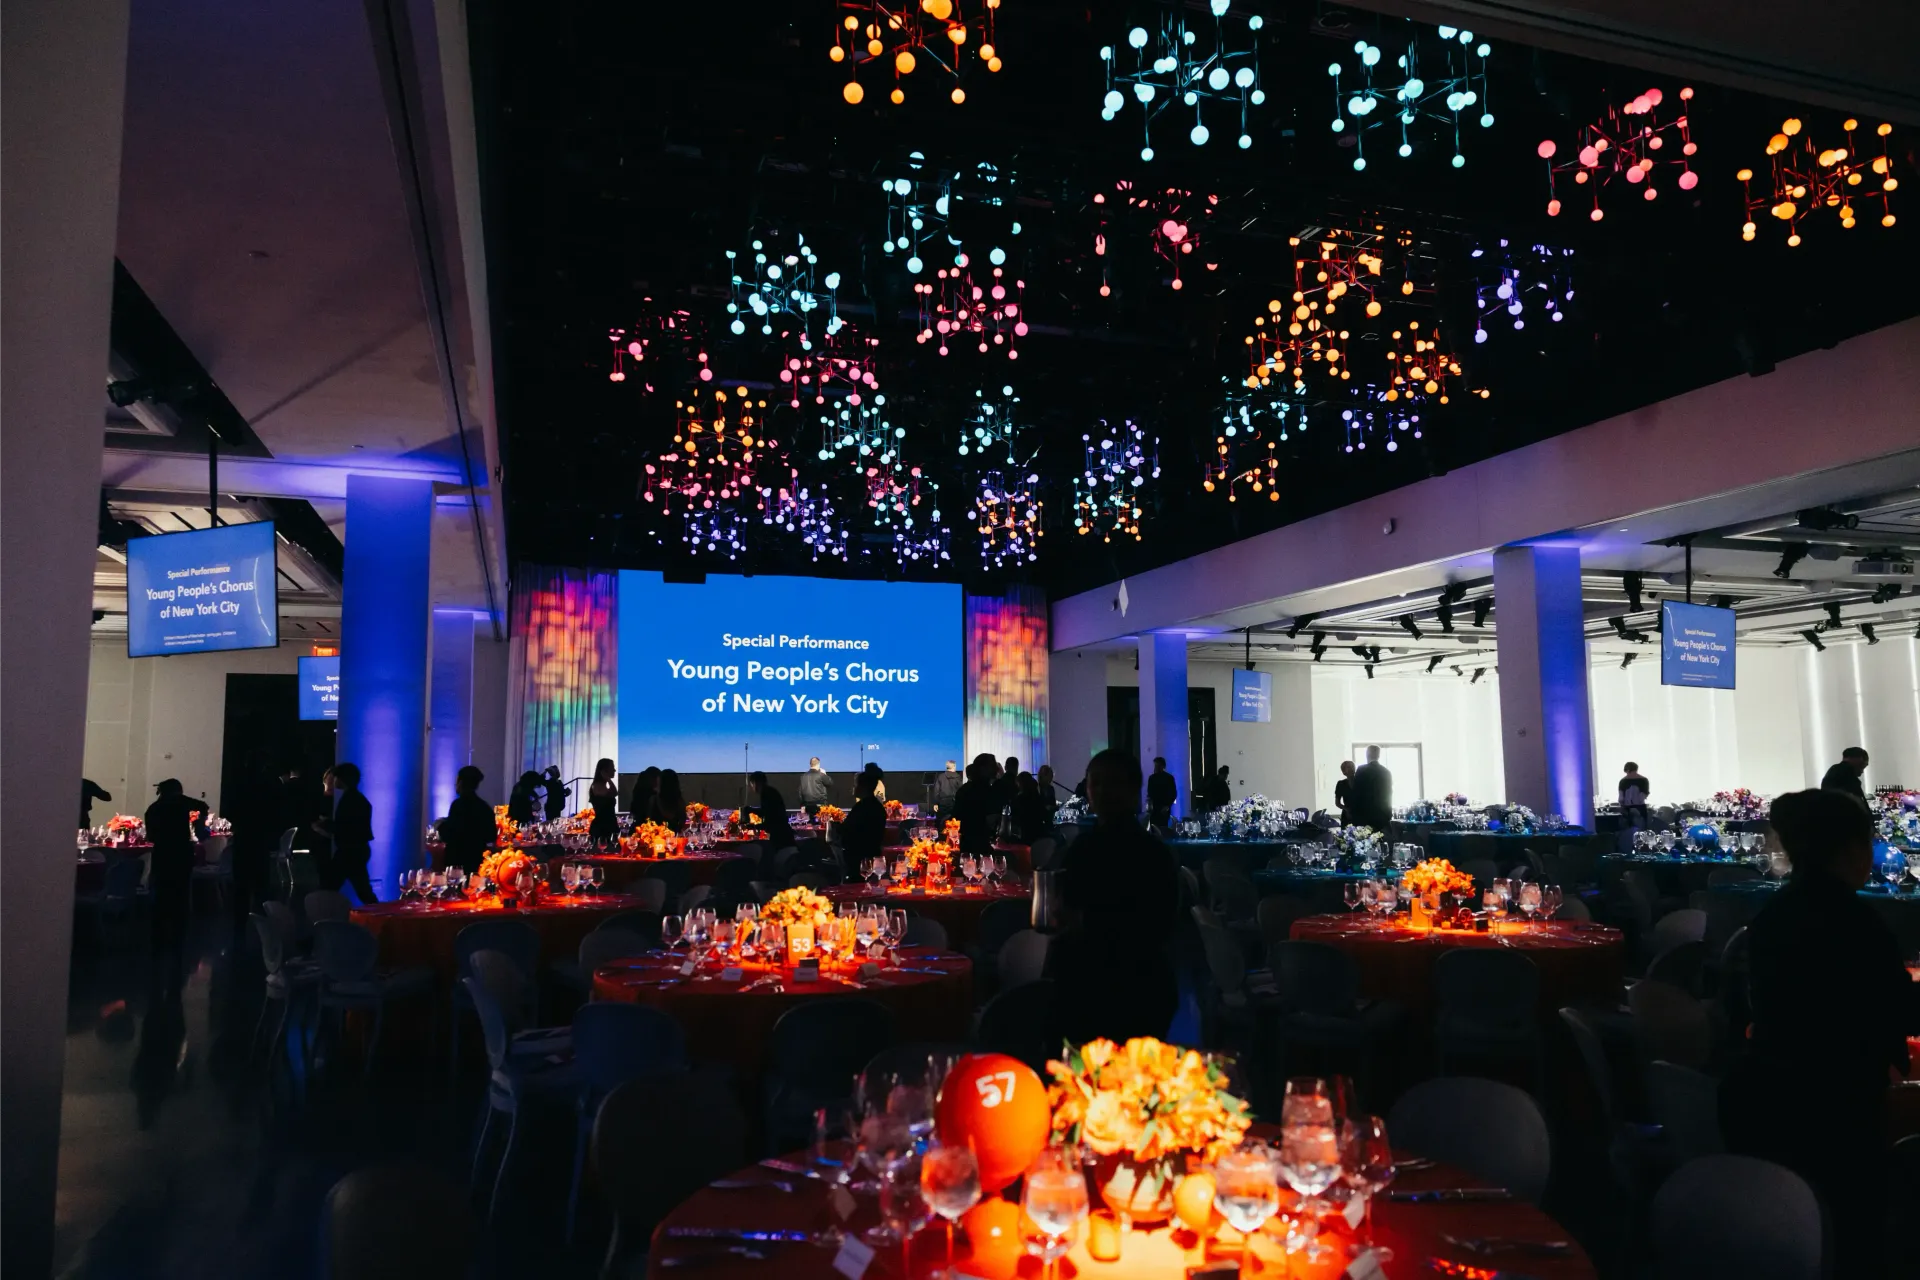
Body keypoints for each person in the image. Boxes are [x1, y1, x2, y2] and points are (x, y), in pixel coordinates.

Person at [1720, 788, 1915, 1277]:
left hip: (1766, 1097)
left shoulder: (1775, 914)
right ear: (1850, 850)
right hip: (1834, 1112)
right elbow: (1893, 1013)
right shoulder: (1854, 923)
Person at [1048, 749, 1181, 1045]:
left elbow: (1157, 925)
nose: (1103, 791)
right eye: (1096, 783)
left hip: (1119, 986)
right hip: (1105, 985)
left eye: (1113, 783)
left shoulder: (1150, 855)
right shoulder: (1085, 847)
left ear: (1135, 791)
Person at [145, 778, 200, 950]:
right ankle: (178, 935)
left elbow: (151, 837)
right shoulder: (182, 806)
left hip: (162, 855)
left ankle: (158, 935)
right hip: (182, 855)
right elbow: (202, 806)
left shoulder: (153, 809)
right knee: (181, 896)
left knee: (160, 895)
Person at [321, 762, 377, 904]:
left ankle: (321, 914)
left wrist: (326, 825)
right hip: (356, 850)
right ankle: (380, 917)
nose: (334, 781)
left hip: (349, 851)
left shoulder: (349, 800)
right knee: (363, 890)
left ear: (342, 779)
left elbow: (345, 827)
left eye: (336, 777)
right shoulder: (357, 799)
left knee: (329, 887)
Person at [440, 765, 494, 874]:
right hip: (477, 862)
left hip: (456, 863)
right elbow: (491, 836)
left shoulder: (457, 805)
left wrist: (440, 826)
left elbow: (449, 835)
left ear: (461, 782)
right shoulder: (484, 807)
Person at [952, 755, 1001, 856]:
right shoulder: (989, 791)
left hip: (966, 843)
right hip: (981, 844)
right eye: (992, 765)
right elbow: (992, 819)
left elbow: (956, 817)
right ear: (983, 769)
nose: (996, 768)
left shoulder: (964, 790)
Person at [841, 769, 887, 872]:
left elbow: (848, 832)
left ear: (863, 787)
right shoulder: (877, 806)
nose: (854, 788)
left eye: (856, 785)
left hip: (860, 861)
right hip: (872, 857)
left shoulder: (862, 808)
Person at [746, 771, 796, 850]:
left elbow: (769, 816)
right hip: (784, 832)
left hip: (780, 835)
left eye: (751, 784)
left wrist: (754, 826)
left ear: (756, 783)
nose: (752, 787)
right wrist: (752, 811)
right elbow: (768, 811)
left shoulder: (766, 793)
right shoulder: (770, 791)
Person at [1349, 747, 1393, 832]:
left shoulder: (1361, 769)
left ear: (1367, 754)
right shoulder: (1386, 772)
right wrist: (1388, 815)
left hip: (1363, 816)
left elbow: (1356, 792)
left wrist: (1353, 813)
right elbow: (1389, 794)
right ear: (1378, 755)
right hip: (1382, 816)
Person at [587, 758, 620, 847]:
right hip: (602, 827)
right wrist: (608, 779)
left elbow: (614, 793)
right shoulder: (597, 786)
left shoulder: (602, 785)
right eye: (612, 768)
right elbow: (614, 793)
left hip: (609, 824)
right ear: (604, 771)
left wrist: (608, 780)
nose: (614, 770)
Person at [1011, 772, 1049, 843]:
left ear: (1021, 783)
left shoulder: (1019, 799)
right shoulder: (1037, 797)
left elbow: (1015, 817)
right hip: (1039, 835)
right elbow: (1044, 815)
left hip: (1024, 836)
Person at [1617, 761, 1651, 829]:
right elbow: (1643, 797)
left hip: (1627, 810)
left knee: (1628, 832)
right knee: (1642, 831)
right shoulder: (1644, 780)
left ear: (1627, 770)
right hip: (1640, 809)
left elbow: (1621, 799)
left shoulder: (1623, 781)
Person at [1145, 756, 1177, 829]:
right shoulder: (1152, 778)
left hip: (1163, 808)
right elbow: (1149, 793)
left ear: (1163, 766)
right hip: (1154, 809)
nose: (1156, 767)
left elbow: (1173, 794)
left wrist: (1167, 806)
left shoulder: (1169, 778)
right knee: (1154, 828)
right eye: (1155, 765)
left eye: (1158, 765)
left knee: (1162, 828)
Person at [1333, 759, 1355, 825]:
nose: (1351, 768)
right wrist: (1346, 809)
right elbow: (1337, 803)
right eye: (1348, 767)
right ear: (1344, 771)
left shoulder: (1361, 781)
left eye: (1352, 766)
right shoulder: (1341, 784)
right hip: (1347, 814)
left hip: (1360, 814)